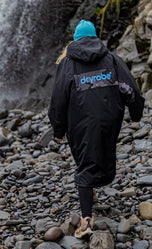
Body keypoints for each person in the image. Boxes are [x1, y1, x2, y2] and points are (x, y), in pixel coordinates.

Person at [48, 20, 145, 239]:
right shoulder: (111, 59)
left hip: (80, 120)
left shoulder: (68, 63)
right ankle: (92, 188)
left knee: (84, 162)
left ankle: (86, 220)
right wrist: (136, 114)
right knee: (101, 149)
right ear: (94, 38)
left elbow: (59, 100)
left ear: (76, 39)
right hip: (110, 118)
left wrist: (58, 129)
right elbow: (131, 89)